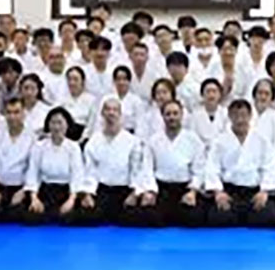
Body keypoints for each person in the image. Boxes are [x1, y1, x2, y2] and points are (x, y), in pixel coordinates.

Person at [205, 98, 275, 227]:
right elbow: (212, 168)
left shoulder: (262, 140)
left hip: (254, 192)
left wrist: (264, 192)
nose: (240, 120)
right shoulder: (219, 141)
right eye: (236, 115)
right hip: (230, 191)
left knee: (268, 215)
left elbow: (269, 167)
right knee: (218, 217)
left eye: (243, 115)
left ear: (250, 116)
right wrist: (218, 192)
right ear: (229, 116)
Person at [79, 96, 153, 225]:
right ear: (102, 113)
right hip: (101, 191)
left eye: (115, 110)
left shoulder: (132, 141)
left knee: (144, 217)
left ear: (120, 114)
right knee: (80, 217)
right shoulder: (93, 141)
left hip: (123, 191)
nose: (111, 113)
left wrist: (135, 193)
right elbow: (89, 170)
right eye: (107, 109)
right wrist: (88, 194)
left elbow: (136, 170)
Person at [144, 99, 206, 227]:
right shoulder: (154, 140)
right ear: (162, 116)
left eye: (175, 113)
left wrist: (193, 192)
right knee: (150, 217)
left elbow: (199, 170)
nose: (172, 117)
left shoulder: (193, 139)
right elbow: (147, 169)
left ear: (182, 115)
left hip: (184, 188)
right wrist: (150, 191)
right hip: (162, 188)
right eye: (168, 114)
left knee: (196, 218)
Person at [23, 108, 86, 223]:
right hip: (45, 190)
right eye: (53, 122)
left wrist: (71, 200)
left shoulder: (73, 147)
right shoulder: (39, 146)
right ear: (48, 125)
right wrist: (34, 198)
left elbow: (77, 175)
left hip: (65, 191)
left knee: (71, 217)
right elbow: (33, 172)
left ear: (67, 125)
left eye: (60, 123)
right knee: (29, 216)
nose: (56, 127)